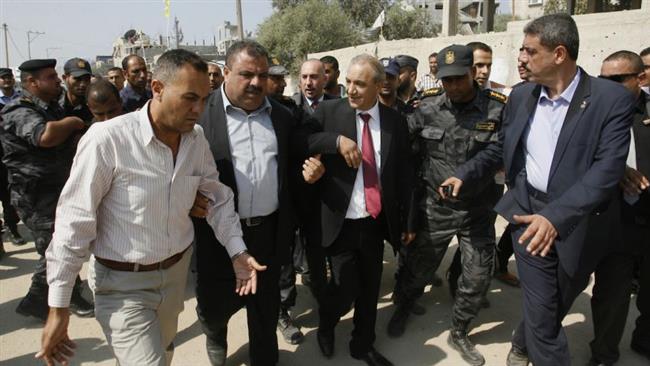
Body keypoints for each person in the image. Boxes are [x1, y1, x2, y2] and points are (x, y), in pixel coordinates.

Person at [37, 49, 266, 366]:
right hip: (122, 287)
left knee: (162, 353)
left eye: (203, 99)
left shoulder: (194, 139)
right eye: (189, 98)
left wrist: (237, 253)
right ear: (157, 89)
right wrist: (58, 307)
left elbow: (217, 198)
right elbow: (73, 224)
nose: (198, 109)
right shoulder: (107, 141)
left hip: (174, 279)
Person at [449, 14, 636, 366]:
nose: (521, 58)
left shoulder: (610, 99)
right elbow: (500, 149)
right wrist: (467, 172)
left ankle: (521, 343)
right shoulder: (520, 97)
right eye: (521, 50)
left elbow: (608, 169)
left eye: (530, 51)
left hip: (577, 222)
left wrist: (555, 217)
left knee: (556, 302)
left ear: (559, 54)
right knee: (542, 314)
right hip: (525, 214)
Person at [193, 40, 316, 366]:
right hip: (215, 236)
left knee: (264, 308)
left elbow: (295, 162)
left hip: (268, 234)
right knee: (215, 307)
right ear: (226, 73)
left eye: (262, 75)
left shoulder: (281, 116)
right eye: (247, 74)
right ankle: (215, 334)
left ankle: (265, 358)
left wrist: (312, 169)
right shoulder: (200, 118)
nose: (257, 83)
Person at [388, 45, 506, 366]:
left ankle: (460, 330)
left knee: (479, 275)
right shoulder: (427, 108)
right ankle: (403, 307)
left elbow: (499, 151)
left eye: (458, 78)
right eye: (446, 80)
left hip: (478, 211)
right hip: (436, 207)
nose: (452, 86)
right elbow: (400, 144)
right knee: (419, 269)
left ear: (473, 73)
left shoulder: (496, 109)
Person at [306, 54, 414, 366]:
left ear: (380, 86)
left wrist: (408, 221)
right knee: (343, 288)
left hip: (374, 222)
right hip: (339, 220)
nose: (351, 90)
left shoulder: (394, 121)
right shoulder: (328, 110)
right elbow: (303, 138)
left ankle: (362, 345)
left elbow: (404, 173)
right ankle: (326, 325)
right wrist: (336, 141)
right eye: (349, 82)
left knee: (369, 289)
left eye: (360, 84)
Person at [0, 59, 94, 322]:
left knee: (62, 244)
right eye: (51, 77)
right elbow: (45, 136)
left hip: (57, 189)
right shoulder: (18, 109)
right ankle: (49, 299)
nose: (58, 81)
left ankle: (43, 299)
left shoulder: (52, 106)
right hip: (35, 195)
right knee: (56, 249)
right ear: (31, 82)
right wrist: (74, 122)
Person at [587, 50, 650, 366]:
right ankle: (604, 354)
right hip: (613, 219)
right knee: (612, 293)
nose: (607, 86)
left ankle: (644, 340)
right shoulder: (590, 113)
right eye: (603, 79)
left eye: (617, 80)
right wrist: (616, 170)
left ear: (640, 79)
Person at [0, 67, 26, 249]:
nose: (6, 80)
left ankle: (12, 227)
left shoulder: (21, 99)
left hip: (15, 154)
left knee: (10, 194)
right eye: (2, 78)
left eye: (8, 77)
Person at [60, 58, 94, 123]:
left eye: (87, 79)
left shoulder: (94, 105)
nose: (83, 84)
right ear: (64, 78)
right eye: (77, 79)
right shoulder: (55, 107)